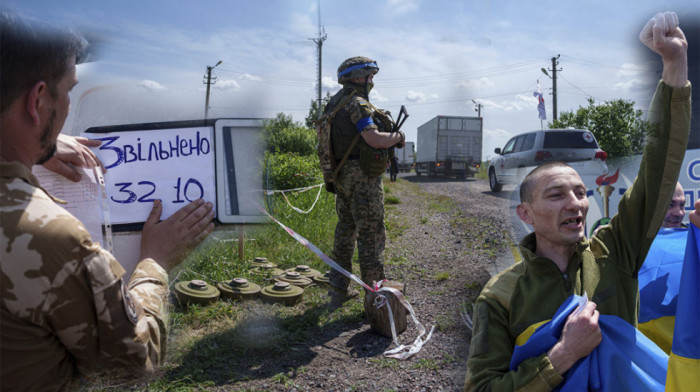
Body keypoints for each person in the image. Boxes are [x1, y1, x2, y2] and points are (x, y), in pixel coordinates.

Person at [465, 11, 690, 391]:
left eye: (581, 193)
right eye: (556, 195)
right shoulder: (501, 296)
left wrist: (674, 63)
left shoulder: (615, 253)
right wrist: (564, 353)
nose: (577, 204)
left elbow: (658, 167)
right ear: (526, 214)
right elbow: (482, 387)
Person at [0, 11, 215, 391]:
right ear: (37, 101)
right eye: (66, 91)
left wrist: (37, 147)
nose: (66, 106)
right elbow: (133, 359)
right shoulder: (51, 236)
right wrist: (154, 262)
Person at [324, 56, 405, 303]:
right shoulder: (357, 103)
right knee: (370, 233)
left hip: (341, 176)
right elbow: (373, 139)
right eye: (368, 76)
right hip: (362, 177)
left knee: (345, 231)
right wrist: (397, 136)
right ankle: (375, 296)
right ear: (356, 77)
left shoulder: (334, 103)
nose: (371, 81)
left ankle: (337, 289)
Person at [637, 182, 687, 353]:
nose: (679, 213)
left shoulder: (693, 243)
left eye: (682, 205)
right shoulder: (624, 245)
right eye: (670, 204)